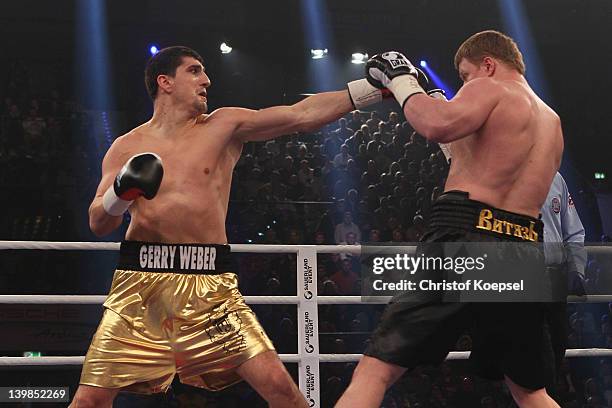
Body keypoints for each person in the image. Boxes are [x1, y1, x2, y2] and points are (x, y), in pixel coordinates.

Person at [70, 45, 386, 407]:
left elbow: (299, 115)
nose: (207, 80)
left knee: (281, 390)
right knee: (89, 401)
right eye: (194, 71)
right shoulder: (126, 146)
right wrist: (120, 192)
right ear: (165, 81)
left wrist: (372, 88)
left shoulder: (223, 126)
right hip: (141, 287)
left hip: (211, 287)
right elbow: (99, 221)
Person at [337, 30, 564, 407]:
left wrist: (402, 80)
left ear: (488, 64)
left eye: (465, 75)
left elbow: (436, 126)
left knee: (377, 368)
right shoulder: (551, 122)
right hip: (523, 247)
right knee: (529, 389)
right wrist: (437, 99)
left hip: (466, 234)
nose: (465, 85)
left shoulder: (491, 88)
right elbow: (482, 158)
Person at [541, 171, 587, 402]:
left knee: (556, 351)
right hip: (518, 276)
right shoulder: (502, 169)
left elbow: (574, 232)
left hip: (555, 278)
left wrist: (576, 269)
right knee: (526, 359)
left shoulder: (555, 178)